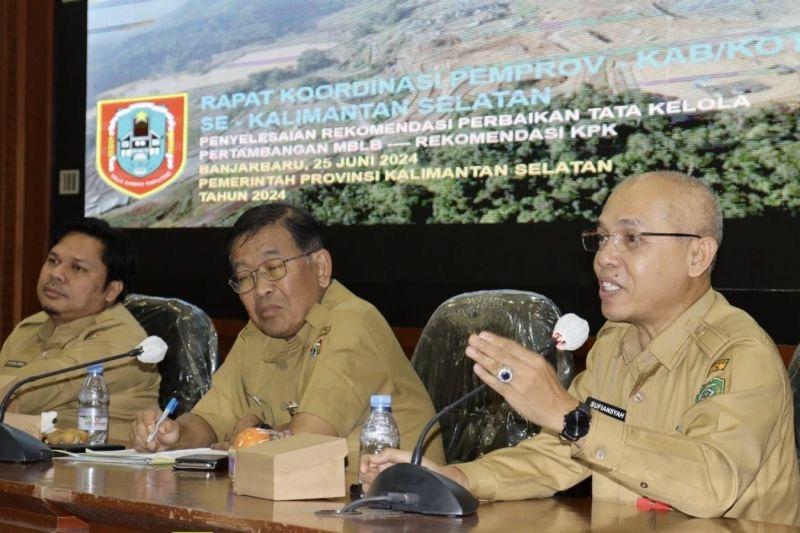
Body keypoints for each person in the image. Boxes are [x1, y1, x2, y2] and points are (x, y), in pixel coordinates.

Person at [362, 171, 800, 526]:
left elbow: (712, 483)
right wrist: (457, 478)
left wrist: (569, 416)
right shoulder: (614, 345)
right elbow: (561, 454)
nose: (604, 258)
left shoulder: (740, 353)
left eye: (631, 239)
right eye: (602, 238)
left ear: (698, 255)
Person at [131, 203, 445, 470]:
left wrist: (246, 437)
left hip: (394, 511)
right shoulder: (255, 335)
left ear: (321, 267)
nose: (262, 288)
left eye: (274, 268)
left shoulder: (352, 321)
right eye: (244, 278)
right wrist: (173, 433)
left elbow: (306, 444)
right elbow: (211, 420)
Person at [0, 218, 160, 440]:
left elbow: (33, 388)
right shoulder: (28, 329)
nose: (56, 274)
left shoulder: (125, 342)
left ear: (112, 290)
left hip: (102, 469)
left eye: (77, 268)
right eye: (53, 260)